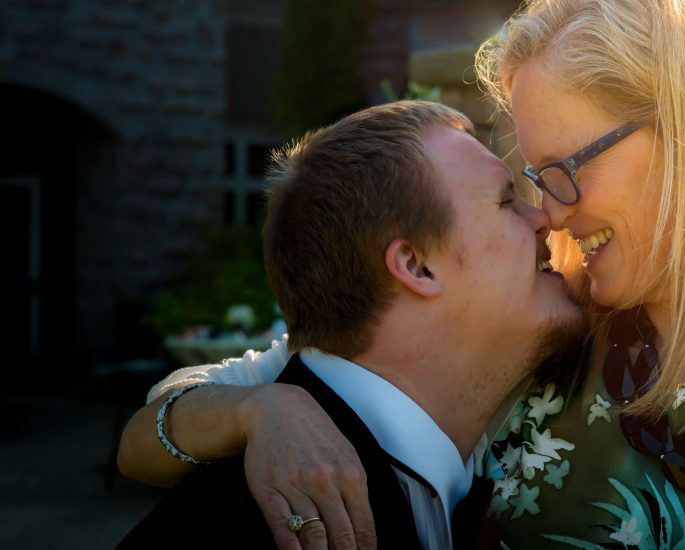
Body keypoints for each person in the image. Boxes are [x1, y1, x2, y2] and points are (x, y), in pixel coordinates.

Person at [120, 1, 685, 548]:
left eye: (560, 169)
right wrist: (261, 408)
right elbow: (157, 425)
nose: (550, 211)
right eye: (530, 182)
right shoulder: (535, 347)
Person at [116, 100, 585, 549]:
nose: (545, 218)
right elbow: (139, 441)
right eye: (507, 201)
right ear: (416, 266)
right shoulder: (267, 524)